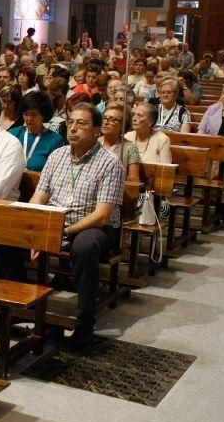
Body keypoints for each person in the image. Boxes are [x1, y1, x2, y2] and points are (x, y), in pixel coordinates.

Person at [29, 102, 124, 346]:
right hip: (58, 223)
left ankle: (85, 321)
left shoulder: (110, 162)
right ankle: (21, 308)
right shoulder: (57, 155)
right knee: (13, 235)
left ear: (96, 131)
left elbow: (102, 214)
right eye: (70, 122)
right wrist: (34, 226)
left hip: (95, 228)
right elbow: (39, 197)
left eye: (81, 124)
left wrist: (64, 231)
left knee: (83, 247)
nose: (73, 128)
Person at [8, 91, 65, 171]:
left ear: (43, 115)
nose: (29, 119)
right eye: (25, 114)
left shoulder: (55, 140)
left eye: (34, 114)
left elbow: (54, 171)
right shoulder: (13, 134)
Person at [99, 103, 140, 182]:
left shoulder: (130, 147)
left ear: (123, 125)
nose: (105, 122)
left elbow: (134, 180)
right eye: (104, 118)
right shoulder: (93, 143)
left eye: (111, 119)